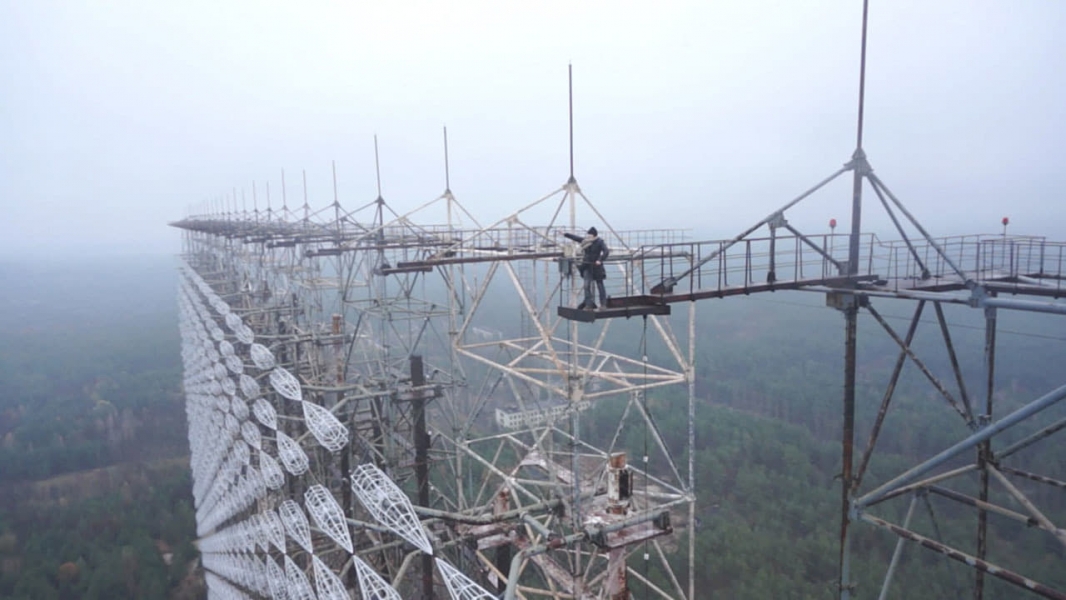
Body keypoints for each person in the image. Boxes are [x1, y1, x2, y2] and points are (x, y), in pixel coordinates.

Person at [563, 227, 609, 310]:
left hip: (596, 266)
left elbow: (606, 251)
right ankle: (588, 304)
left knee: (600, 285)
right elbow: (576, 238)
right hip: (587, 265)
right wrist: (565, 234)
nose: (588, 237)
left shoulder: (599, 242)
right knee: (586, 285)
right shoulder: (586, 241)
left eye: (589, 235)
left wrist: (600, 260)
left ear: (594, 235)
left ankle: (603, 304)